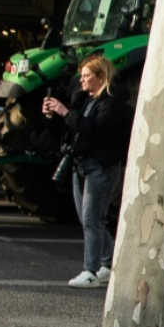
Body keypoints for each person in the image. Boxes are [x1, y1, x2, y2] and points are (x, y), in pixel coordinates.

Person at [41, 55, 132, 289]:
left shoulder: (113, 102)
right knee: (87, 218)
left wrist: (64, 112)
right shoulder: (85, 100)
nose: (81, 81)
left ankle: (90, 270)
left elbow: (95, 130)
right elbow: (71, 128)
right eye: (80, 76)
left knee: (93, 218)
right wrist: (52, 115)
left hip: (101, 166)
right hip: (79, 164)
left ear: (101, 77)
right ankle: (109, 263)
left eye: (86, 76)